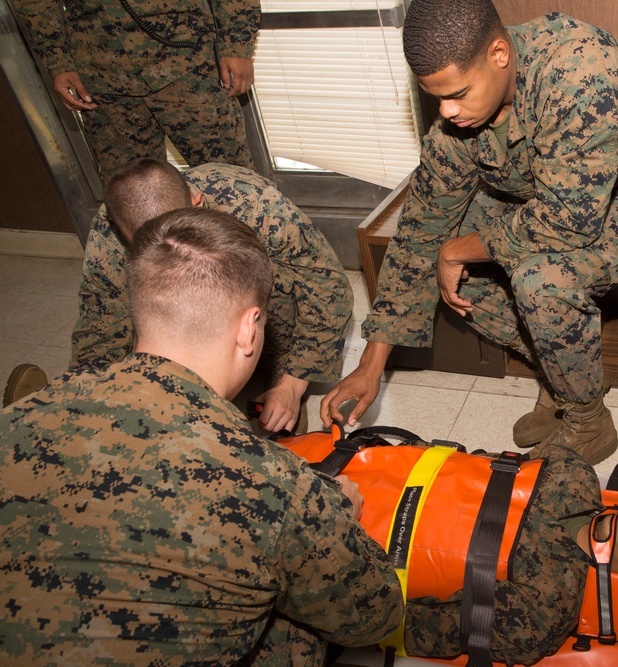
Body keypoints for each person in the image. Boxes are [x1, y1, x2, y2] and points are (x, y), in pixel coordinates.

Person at [0, 208, 403, 665]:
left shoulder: (13, 419)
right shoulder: (273, 484)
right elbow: (377, 618)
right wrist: (341, 521)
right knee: (296, 619)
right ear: (249, 329)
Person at [320, 0, 618, 465]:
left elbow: (570, 221)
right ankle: (563, 376)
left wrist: (459, 250)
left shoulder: (582, 71)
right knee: (446, 254)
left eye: (459, 92)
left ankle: (588, 422)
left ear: (499, 54)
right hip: (547, 200)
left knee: (539, 278)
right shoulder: (458, 118)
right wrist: (371, 363)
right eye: (434, 96)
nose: (446, 111)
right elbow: (422, 229)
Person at [71, 158, 353, 433]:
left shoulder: (253, 202)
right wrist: (95, 401)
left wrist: (292, 386)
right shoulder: (108, 235)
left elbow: (328, 288)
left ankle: (277, 373)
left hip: (255, 306)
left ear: (197, 202)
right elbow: (100, 328)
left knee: (279, 419)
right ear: (122, 232)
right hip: (178, 321)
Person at [393, 441, 618, 664]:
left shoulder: (542, 613)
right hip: (379, 470)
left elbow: (399, 623)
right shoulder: (573, 471)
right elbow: (472, 462)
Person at [10, 0, 258, 178]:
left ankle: (254, 251)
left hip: (185, 61)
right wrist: (58, 62)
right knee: (131, 193)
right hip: (100, 72)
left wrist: (237, 44)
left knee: (231, 181)